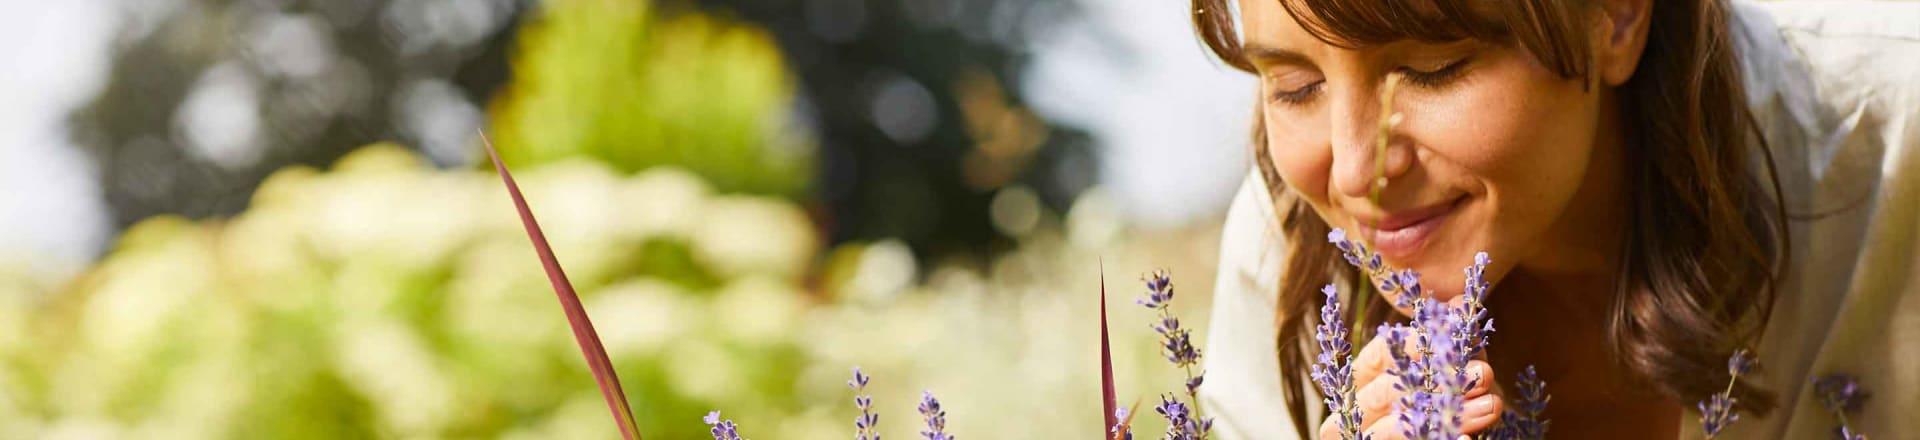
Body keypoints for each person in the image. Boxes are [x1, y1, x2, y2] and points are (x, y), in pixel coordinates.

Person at [1192, 0, 1920, 438]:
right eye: (1294, 86)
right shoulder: (1287, 253)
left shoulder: (1895, 154)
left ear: (1617, 14)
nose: (1353, 172)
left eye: (1434, 67)